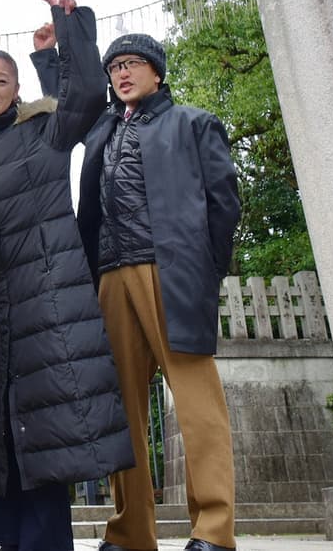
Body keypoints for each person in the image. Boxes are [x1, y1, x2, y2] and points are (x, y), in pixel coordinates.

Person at [0, 0, 133, 551]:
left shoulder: (42, 132)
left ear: (17, 88)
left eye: (1, 81)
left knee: (47, 428)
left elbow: (82, 99)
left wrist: (65, 34)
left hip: (47, 303)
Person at [59, 33, 242, 551]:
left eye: (133, 63)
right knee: (122, 409)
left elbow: (223, 203)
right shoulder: (103, 131)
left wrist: (207, 271)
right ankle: (131, 532)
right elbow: (70, 98)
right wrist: (61, 39)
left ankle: (213, 530)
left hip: (171, 270)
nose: (122, 73)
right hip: (111, 275)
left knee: (195, 398)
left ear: (157, 72)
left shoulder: (193, 122)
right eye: (115, 66)